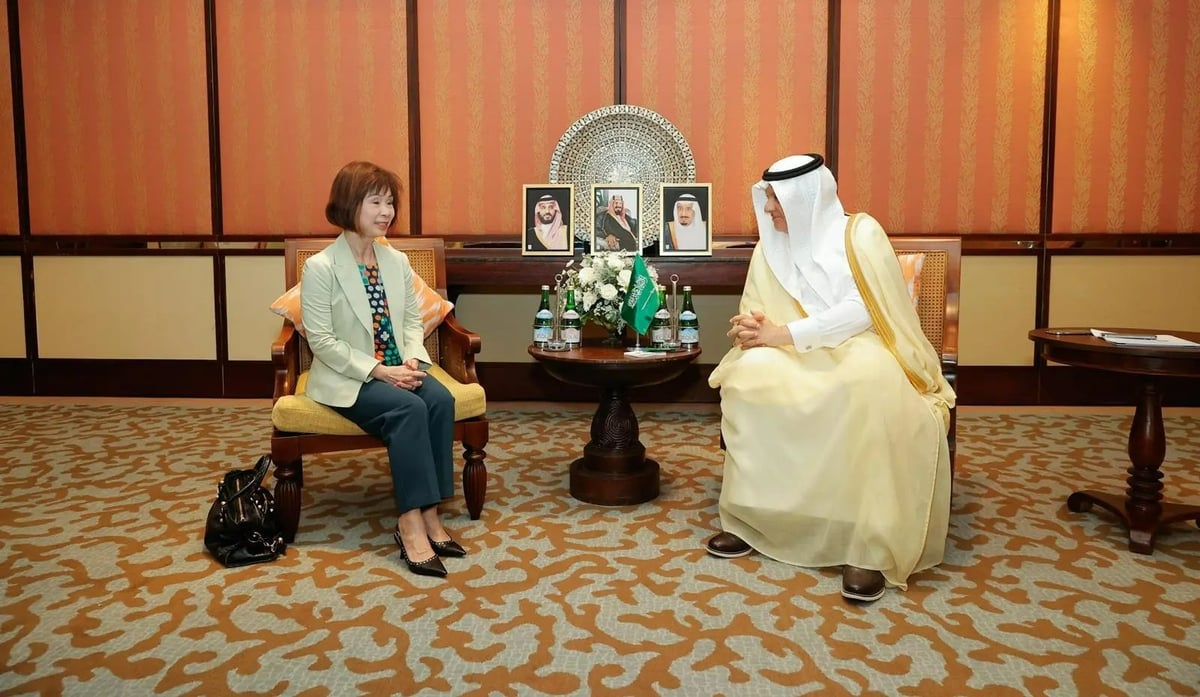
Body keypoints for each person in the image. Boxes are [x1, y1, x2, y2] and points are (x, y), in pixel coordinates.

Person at [705, 154, 955, 603]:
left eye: (777, 199)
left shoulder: (859, 235)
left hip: (860, 346)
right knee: (749, 377)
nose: (769, 208)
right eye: (767, 198)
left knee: (866, 385)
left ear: (804, 198)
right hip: (788, 351)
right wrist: (752, 327)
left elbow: (863, 310)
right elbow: (757, 307)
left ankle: (868, 544)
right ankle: (754, 519)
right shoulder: (769, 246)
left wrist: (783, 333)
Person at [300, 161, 464, 579]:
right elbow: (322, 342)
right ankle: (410, 523)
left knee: (440, 400)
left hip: (398, 368)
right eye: (375, 202)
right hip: (350, 377)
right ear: (349, 204)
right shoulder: (321, 267)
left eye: (390, 203)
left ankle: (430, 513)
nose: (386, 212)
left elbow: (410, 322)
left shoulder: (396, 261)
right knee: (408, 409)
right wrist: (380, 371)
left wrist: (412, 360)